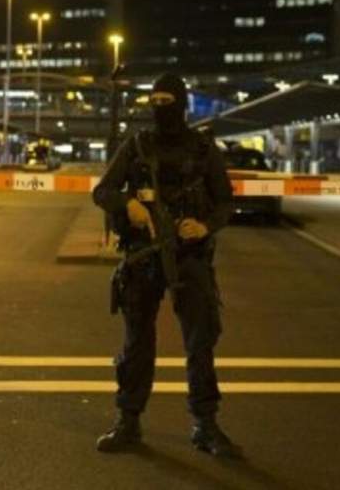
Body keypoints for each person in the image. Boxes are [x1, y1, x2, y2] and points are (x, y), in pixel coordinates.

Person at [92, 73, 241, 458]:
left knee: (200, 342)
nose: (161, 108)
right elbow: (103, 190)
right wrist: (128, 205)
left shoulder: (204, 149)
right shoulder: (137, 146)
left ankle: (205, 425)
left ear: (182, 104)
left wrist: (204, 225)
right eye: (154, 101)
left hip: (189, 258)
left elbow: (225, 202)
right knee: (137, 343)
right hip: (143, 257)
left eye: (167, 101)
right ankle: (128, 421)